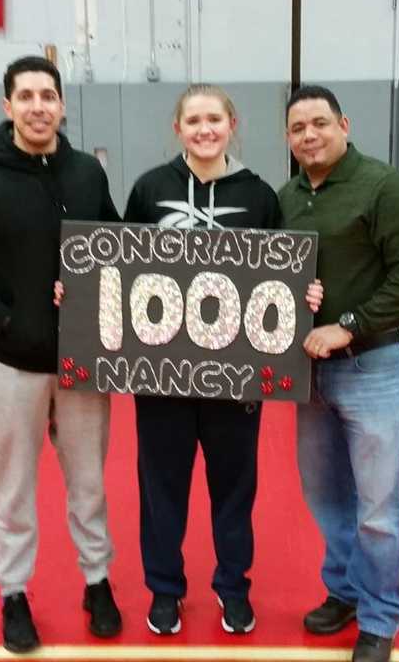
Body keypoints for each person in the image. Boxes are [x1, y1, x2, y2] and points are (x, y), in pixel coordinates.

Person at [0, 56, 122, 653]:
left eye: (49, 95)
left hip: (84, 362)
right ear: (7, 105)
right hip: (11, 363)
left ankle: (97, 582)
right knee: (13, 487)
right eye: (27, 96)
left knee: (89, 483)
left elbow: (117, 246)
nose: (39, 106)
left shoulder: (88, 175)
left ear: (63, 105)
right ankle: (13, 594)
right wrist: (4, 319)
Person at [279, 85, 399, 662]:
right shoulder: (288, 197)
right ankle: (345, 591)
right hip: (311, 372)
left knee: (379, 503)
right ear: (289, 139)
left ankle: (380, 616)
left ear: (343, 124)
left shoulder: (384, 186)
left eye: (319, 123)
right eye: (298, 129)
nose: (310, 136)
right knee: (326, 495)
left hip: (376, 363)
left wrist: (348, 322)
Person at [123, 84, 283, 636]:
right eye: (193, 119)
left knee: (235, 488)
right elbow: (122, 274)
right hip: (161, 376)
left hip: (236, 378)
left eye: (214, 118)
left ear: (232, 124)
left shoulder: (261, 195)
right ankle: (165, 590)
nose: (204, 128)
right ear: (177, 128)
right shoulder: (149, 189)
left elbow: (279, 281)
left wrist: (302, 296)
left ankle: (233, 588)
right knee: (161, 488)